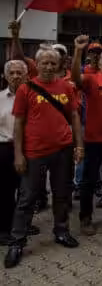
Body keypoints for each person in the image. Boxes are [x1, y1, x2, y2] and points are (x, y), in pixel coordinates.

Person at [4, 46, 84, 269]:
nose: (49, 67)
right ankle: (17, 241)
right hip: (34, 153)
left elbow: (75, 116)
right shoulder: (25, 89)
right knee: (27, 198)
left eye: (53, 63)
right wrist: (19, 155)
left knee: (61, 194)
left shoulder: (66, 87)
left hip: (63, 150)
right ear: (36, 65)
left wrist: (79, 145)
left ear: (59, 65)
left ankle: (61, 231)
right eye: (44, 63)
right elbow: (18, 124)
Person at [71, 36, 102, 235]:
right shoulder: (92, 80)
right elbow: (75, 77)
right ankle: (85, 217)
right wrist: (77, 51)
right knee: (88, 181)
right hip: (93, 140)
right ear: (100, 65)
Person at [0, 60, 38, 246]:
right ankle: (4, 229)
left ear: (26, 76)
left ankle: (21, 225)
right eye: (12, 73)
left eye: (19, 73)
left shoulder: (34, 97)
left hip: (29, 149)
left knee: (27, 192)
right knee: (5, 192)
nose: (15, 76)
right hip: (5, 150)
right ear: (5, 76)